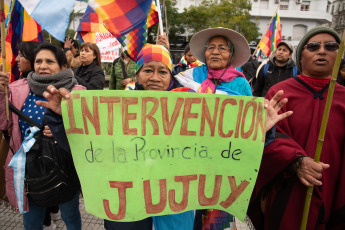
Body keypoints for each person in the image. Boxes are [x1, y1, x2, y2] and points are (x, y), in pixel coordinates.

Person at [37, 42, 291, 230]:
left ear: (171, 76)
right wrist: (62, 118)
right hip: (127, 210)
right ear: (137, 74)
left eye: (163, 71)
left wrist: (262, 129)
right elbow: (84, 147)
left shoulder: (190, 107)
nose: (155, 77)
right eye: (148, 70)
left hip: (174, 210)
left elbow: (226, 146)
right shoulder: (114, 107)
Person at [248, 26, 345, 229]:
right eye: (313, 46)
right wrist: (296, 161)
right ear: (301, 57)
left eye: (330, 46)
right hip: (287, 191)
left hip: (334, 190)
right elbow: (264, 138)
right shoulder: (280, 93)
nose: (322, 51)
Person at [0, 42, 84, 230]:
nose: (42, 66)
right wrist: (0, 93)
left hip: (65, 169)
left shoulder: (77, 93)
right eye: (38, 61)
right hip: (30, 171)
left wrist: (61, 127)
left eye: (49, 61)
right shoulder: (15, 89)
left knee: (70, 215)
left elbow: (86, 131)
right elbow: (4, 124)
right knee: (31, 221)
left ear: (63, 66)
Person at [174, 27, 252, 96]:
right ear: (205, 54)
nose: (215, 52)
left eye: (222, 48)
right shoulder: (190, 76)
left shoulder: (241, 84)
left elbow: (250, 110)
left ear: (231, 56)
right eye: (211, 47)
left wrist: (263, 106)